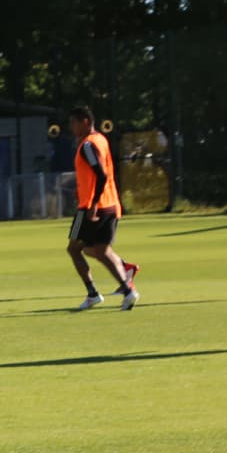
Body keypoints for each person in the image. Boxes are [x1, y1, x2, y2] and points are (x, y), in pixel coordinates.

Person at [65, 106, 139, 310]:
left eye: (74, 122)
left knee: (73, 249)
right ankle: (128, 289)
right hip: (111, 204)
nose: (72, 127)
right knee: (101, 250)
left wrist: (93, 203)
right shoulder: (101, 139)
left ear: (86, 122)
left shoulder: (88, 145)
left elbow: (101, 174)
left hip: (90, 208)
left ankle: (92, 293)